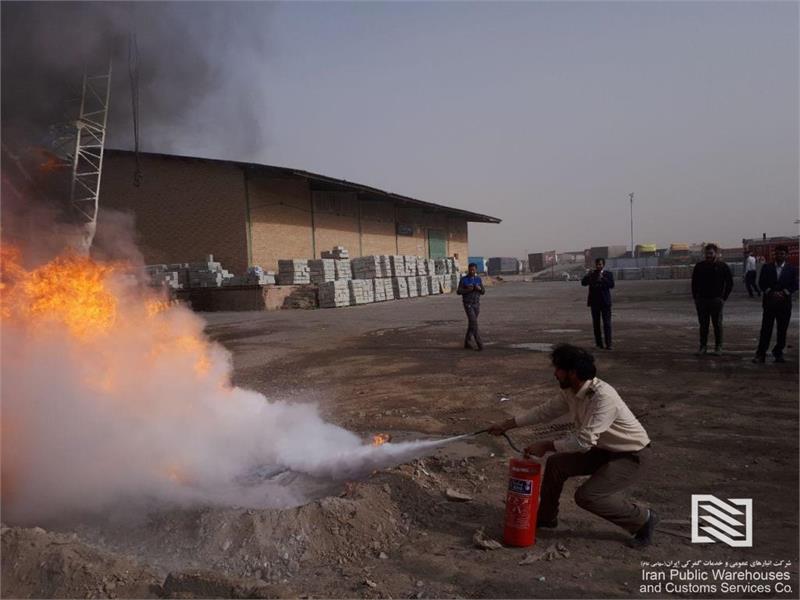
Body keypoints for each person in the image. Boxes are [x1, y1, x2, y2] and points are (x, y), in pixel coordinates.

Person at [488, 344, 656, 548]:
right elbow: (545, 411)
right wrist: (506, 424)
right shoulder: (572, 390)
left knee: (587, 496)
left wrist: (547, 445)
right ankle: (547, 517)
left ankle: (643, 519)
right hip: (604, 449)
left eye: (558, 369)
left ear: (573, 373)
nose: (555, 374)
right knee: (557, 465)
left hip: (631, 456)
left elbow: (584, 441)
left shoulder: (603, 397)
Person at [753, 245, 798, 364]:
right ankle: (760, 354)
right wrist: (771, 293)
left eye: (782, 254)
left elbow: (795, 285)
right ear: (774, 255)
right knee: (766, 329)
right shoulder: (767, 267)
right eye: (777, 254)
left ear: (786, 255)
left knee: (782, 330)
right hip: (769, 304)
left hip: (784, 304)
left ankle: (778, 352)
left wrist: (784, 293)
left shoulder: (791, 269)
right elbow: (761, 283)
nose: (779, 256)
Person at [691, 243, 733, 355]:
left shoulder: (722, 266)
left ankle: (718, 347)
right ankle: (703, 347)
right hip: (702, 301)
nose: (708, 255)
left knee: (717, 325)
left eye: (711, 253)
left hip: (716, 301)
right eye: (707, 253)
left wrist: (723, 298)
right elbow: (694, 284)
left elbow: (729, 283)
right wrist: (696, 298)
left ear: (716, 253)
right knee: (703, 326)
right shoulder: (699, 267)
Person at [581, 258, 615, 349]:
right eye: (597, 264)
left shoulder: (608, 274)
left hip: (605, 303)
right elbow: (583, 283)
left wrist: (602, 278)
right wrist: (588, 275)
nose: (598, 266)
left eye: (600, 264)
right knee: (596, 324)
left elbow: (611, 285)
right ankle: (599, 344)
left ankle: (609, 344)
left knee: (607, 324)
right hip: (594, 303)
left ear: (603, 265)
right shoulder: (592, 274)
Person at [457, 262, 485, 350]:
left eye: (473, 270)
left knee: (471, 324)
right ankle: (480, 344)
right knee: (474, 323)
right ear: (468, 270)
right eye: (470, 270)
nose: (472, 271)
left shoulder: (478, 279)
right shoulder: (464, 279)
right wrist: (467, 290)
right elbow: (459, 291)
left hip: (476, 304)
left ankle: (467, 342)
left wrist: (479, 288)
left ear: (476, 270)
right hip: (468, 304)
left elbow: (483, 291)